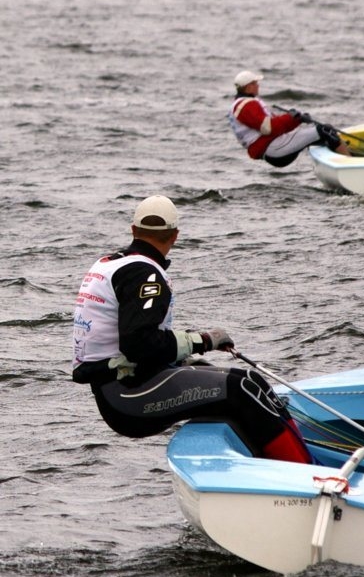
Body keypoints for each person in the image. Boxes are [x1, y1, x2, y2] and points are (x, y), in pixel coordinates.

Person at [72, 194, 311, 463]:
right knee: (241, 387)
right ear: (175, 236)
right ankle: (305, 471)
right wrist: (203, 340)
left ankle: (296, 455)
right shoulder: (145, 274)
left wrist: (183, 355)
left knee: (250, 380)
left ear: (133, 230)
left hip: (126, 385)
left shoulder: (112, 263)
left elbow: (131, 342)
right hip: (126, 398)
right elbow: (138, 344)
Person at [228, 70, 350, 167]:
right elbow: (268, 128)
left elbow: (275, 127)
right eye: (255, 83)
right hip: (273, 148)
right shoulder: (246, 105)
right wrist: (291, 118)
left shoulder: (243, 104)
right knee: (325, 130)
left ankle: (342, 158)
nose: (258, 85)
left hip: (273, 147)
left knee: (322, 135)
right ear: (248, 87)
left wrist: (296, 119)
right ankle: (349, 164)